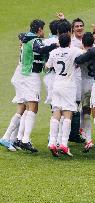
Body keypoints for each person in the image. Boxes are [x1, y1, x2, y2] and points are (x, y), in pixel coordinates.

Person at [13, 19, 58, 152]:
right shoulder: (34, 41)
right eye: (42, 29)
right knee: (33, 106)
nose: (43, 32)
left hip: (27, 75)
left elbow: (22, 35)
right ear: (39, 29)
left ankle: (20, 138)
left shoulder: (28, 38)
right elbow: (41, 49)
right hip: (31, 76)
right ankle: (25, 139)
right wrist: (54, 45)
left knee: (28, 107)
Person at [46, 33, 82, 157]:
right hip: (69, 85)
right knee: (67, 114)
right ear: (69, 42)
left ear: (59, 42)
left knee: (56, 112)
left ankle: (52, 142)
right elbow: (85, 53)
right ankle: (64, 144)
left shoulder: (53, 52)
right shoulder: (74, 51)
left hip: (56, 84)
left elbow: (47, 67)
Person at [0, 33, 27, 151]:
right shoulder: (28, 47)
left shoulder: (25, 46)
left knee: (25, 109)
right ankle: (6, 137)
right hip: (21, 80)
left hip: (20, 79)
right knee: (22, 108)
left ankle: (13, 139)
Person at [80, 32, 95, 152]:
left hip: (84, 84)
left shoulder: (81, 54)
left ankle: (88, 139)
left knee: (86, 111)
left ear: (82, 42)